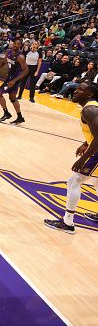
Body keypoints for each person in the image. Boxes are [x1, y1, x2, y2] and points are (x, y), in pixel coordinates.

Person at [44, 81, 98, 233]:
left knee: (74, 181)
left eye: (81, 89)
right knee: (96, 181)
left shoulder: (90, 110)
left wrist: (83, 159)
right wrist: (86, 143)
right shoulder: (93, 107)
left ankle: (68, 222)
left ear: (90, 94)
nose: (75, 91)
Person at [0, 40, 29, 125]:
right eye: (15, 44)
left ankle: (6, 113)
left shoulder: (20, 57)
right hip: (10, 78)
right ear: (12, 44)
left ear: (20, 46)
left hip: (14, 79)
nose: (16, 45)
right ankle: (20, 117)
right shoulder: (8, 52)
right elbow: (3, 62)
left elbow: (26, 71)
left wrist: (14, 81)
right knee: (12, 98)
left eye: (18, 44)